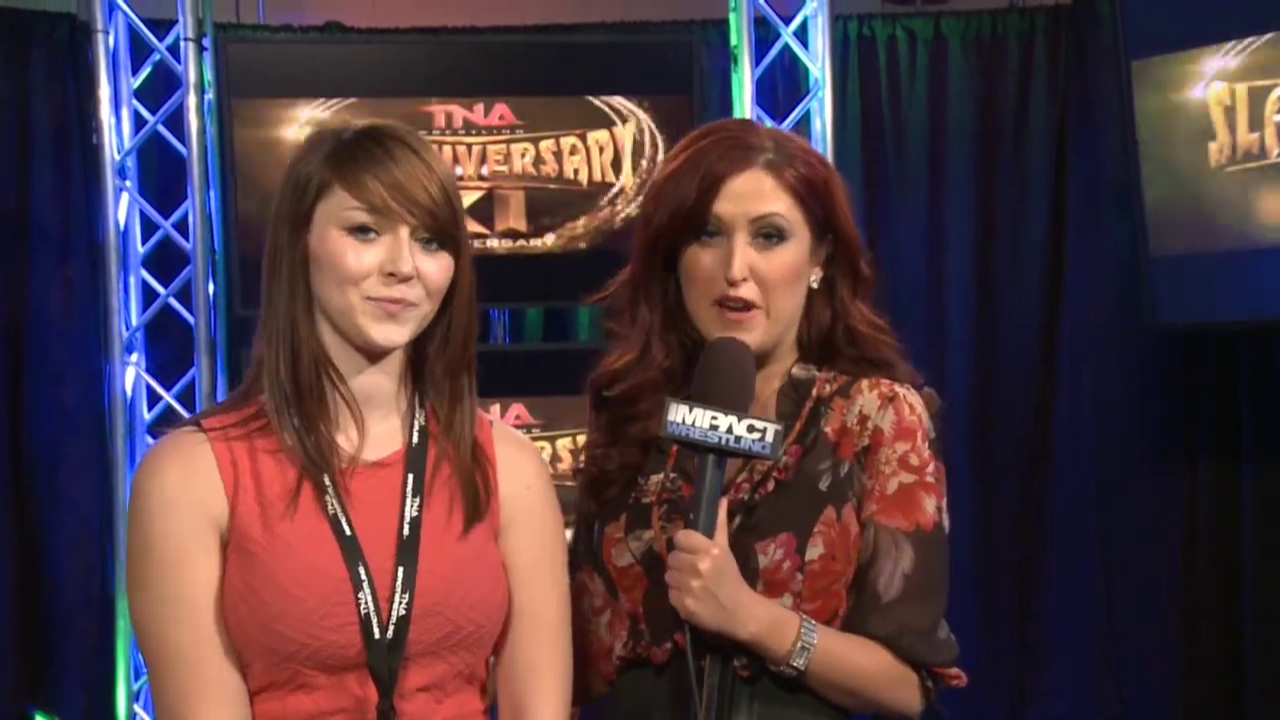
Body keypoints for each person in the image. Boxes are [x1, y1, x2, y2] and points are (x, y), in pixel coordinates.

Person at [127, 120, 572, 720]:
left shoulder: (508, 468)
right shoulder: (190, 477)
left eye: (431, 241)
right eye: (366, 230)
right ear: (301, 243)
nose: (404, 266)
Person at [569, 118, 966, 720]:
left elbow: (907, 687)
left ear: (819, 257)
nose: (735, 267)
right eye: (707, 233)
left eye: (769, 236)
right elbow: (579, 658)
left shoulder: (876, 419)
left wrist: (753, 619)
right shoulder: (629, 410)